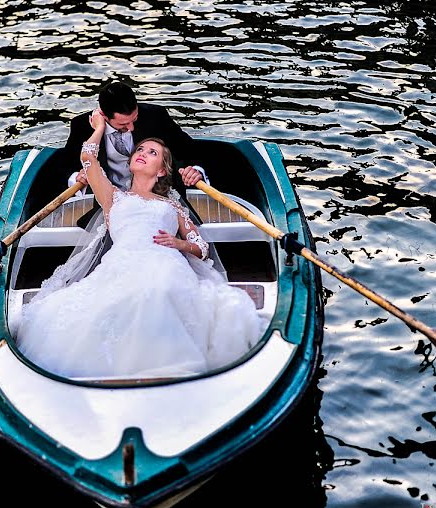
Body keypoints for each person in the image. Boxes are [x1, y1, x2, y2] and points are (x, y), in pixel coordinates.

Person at [14, 113, 266, 380]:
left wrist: (180, 243)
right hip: (121, 264)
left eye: (153, 152)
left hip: (166, 263)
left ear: (161, 170)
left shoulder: (172, 205)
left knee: (160, 286)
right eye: (140, 150)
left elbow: (201, 247)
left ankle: (165, 368)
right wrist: (100, 128)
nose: (143, 153)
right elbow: (88, 159)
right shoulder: (113, 197)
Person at [59, 81, 208, 195]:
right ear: (104, 116)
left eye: (134, 119)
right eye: (123, 124)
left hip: (157, 194)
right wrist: (77, 177)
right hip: (109, 198)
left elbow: (189, 148)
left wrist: (195, 169)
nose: (131, 128)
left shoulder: (155, 116)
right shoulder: (81, 125)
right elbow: (66, 165)